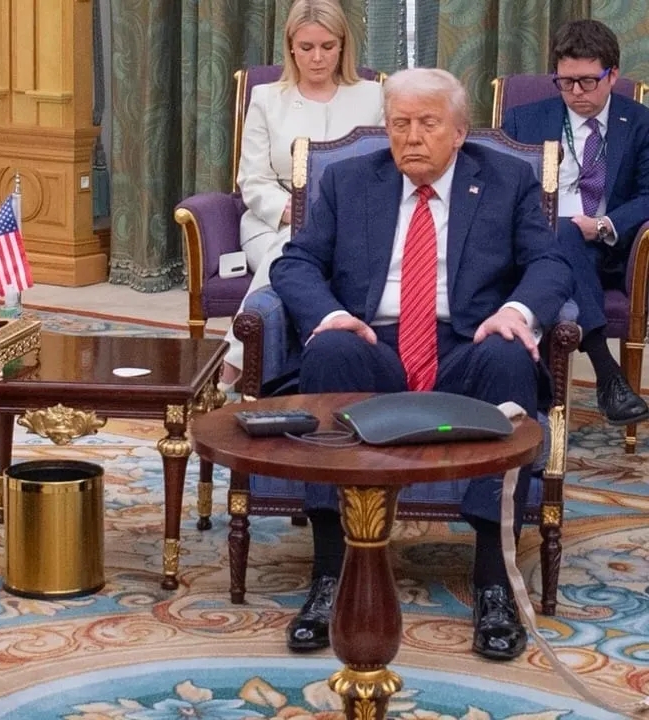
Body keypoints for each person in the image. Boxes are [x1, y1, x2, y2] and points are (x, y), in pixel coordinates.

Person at [269, 68, 573, 661]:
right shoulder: (349, 181)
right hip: (372, 342)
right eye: (399, 123)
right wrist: (331, 315)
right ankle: (329, 574)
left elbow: (551, 264)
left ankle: (493, 584)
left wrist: (514, 312)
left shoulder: (506, 180)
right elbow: (295, 262)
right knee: (329, 351)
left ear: (459, 131)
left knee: (509, 355)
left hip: (466, 343)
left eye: (428, 123)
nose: (411, 136)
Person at [221, 0, 385, 386]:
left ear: (343, 46)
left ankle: (233, 371)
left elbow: (381, 172)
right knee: (291, 247)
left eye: (327, 47)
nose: (317, 58)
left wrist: (334, 218)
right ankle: (237, 366)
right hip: (272, 223)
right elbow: (253, 180)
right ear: (291, 47)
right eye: (306, 47)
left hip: (350, 227)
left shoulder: (373, 96)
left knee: (296, 250)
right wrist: (297, 214)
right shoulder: (266, 98)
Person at [501, 19, 649, 426]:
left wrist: (603, 225)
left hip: (607, 248)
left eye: (587, 81)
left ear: (612, 75)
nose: (576, 93)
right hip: (535, 244)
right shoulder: (522, 120)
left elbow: (647, 195)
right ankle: (607, 372)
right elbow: (504, 190)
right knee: (561, 231)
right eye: (566, 82)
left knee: (567, 233)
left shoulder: (640, 123)